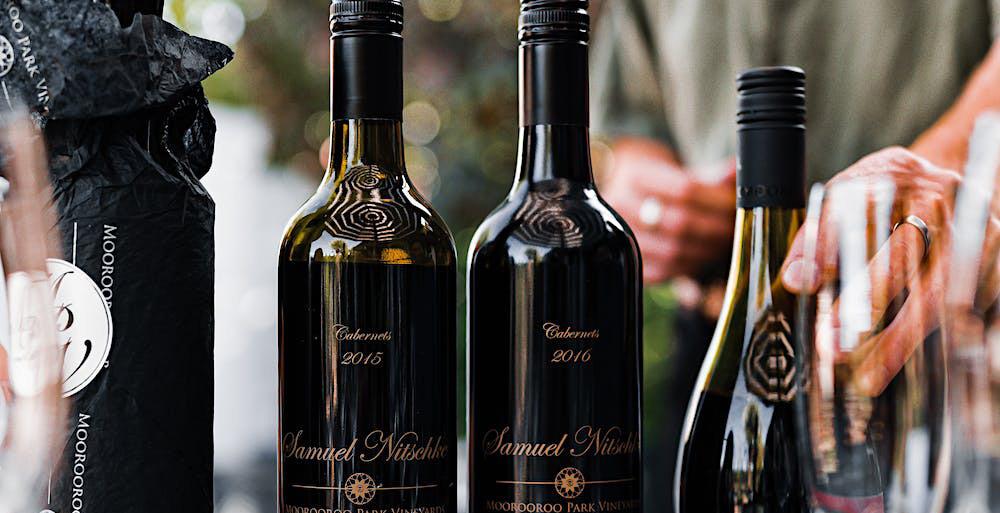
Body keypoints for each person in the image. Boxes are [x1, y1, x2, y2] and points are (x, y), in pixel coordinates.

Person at [590, 2, 1000, 511]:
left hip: (910, 350)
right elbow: (633, 121)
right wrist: (640, 191)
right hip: (715, 360)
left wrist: (937, 183)